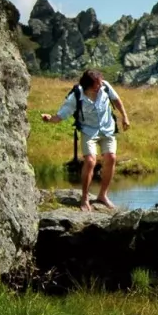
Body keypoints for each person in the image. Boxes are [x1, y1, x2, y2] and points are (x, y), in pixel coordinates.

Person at [40, 69, 129, 211]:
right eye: (97, 85)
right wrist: (49, 119)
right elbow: (61, 116)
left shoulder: (105, 86)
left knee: (111, 158)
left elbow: (116, 100)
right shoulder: (76, 96)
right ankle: (84, 197)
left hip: (108, 129)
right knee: (90, 161)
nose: (100, 86)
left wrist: (124, 116)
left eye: (100, 83)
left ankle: (103, 196)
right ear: (88, 85)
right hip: (89, 131)